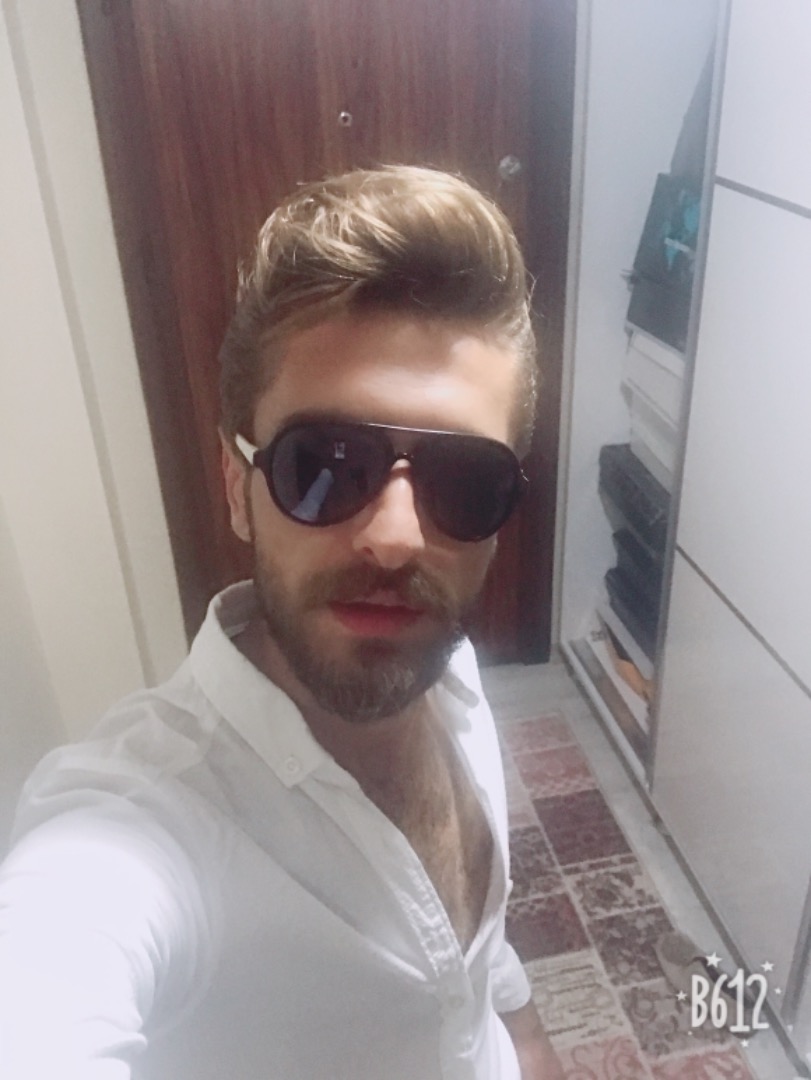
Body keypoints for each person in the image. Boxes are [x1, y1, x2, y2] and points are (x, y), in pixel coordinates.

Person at [0, 165, 564, 1080]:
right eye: (323, 464)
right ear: (238, 489)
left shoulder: (449, 675)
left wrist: (526, 1039)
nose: (394, 538)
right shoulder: (139, 822)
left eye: (464, 481)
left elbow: (477, 952)